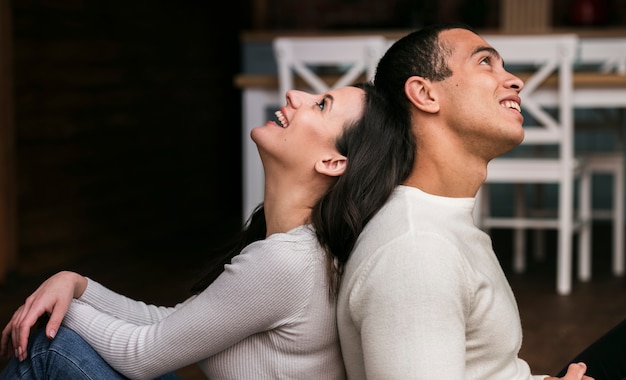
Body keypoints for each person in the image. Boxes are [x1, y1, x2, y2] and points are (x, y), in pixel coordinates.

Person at [0, 83, 413, 379]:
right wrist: (77, 285)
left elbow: (142, 354)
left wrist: (62, 309)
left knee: (49, 348)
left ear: (333, 162)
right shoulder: (292, 248)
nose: (294, 96)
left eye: (321, 105)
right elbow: (173, 324)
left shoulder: (288, 262)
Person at [335, 23, 626, 380]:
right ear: (425, 95)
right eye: (486, 63)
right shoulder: (416, 252)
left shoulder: (440, 221)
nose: (515, 81)